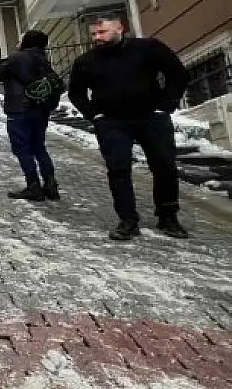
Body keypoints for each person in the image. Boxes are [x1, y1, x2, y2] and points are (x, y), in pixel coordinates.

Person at [68, 14, 190, 240]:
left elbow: (178, 74)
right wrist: (96, 115)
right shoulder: (86, 61)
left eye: (102, 32)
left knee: (164, 166)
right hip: (112, 122)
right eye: (94, 34)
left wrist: (166, 106)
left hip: (151, 117)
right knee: (118, 170)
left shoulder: (148, 48)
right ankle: (127, 220)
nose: (97, 37)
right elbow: (76, 93)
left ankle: (168, 217)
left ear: (120, 28)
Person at [0, 30, 60, 202]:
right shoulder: (42, 58)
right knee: (39, 147)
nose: (18, 42)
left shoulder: (18, 58)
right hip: (40, 110)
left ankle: (33, 186)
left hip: (19, 111)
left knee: (22, 149)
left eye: (21, 39)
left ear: (27, 41)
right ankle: (50, 184)